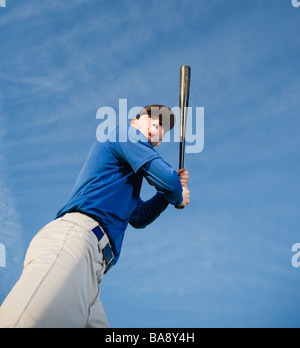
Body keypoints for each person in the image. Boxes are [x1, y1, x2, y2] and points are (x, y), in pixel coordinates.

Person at [0, 104, 190, 328]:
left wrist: (167, 195)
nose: (156, 128)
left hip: (93, 273)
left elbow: (139, 217)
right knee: (24, 322)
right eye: (152, 120)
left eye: (161, 129)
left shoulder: (126, 178)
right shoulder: (122, 133)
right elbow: (169, 183)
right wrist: (177, 192)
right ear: (134, 123)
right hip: (74, 241)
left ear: (159, 142)